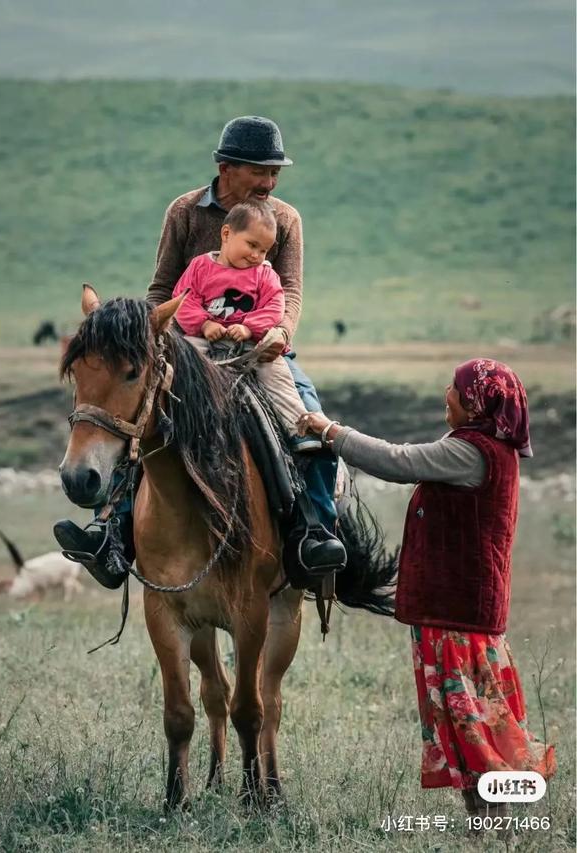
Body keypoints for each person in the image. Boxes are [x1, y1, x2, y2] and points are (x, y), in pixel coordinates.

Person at [55, 115, 346, 585]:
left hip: (259, 345)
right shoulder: (185, 211)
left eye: (276, 173)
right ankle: (110, 536)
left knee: (310, 420)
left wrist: (280, 334)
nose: (270, 182)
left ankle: (314, 532)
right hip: (185, 344)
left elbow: (289, 290)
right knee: (143, 421)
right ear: (227, 167)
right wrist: (153, 339)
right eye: (261, 171)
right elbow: (160, 288)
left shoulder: (285, 219)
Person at [298, 358, 556, 825]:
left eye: (455, 389)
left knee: (473, 724)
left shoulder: (472, 452)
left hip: (456, 613)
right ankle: (489, 821)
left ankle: (498, 821)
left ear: (476, 402)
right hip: (456, 610)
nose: (446, 394)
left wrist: (332, 432)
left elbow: (397, 462)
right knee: (470, 724)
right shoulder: (484, 447)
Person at [173, 200, 321, 450]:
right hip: (204, 339)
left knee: (276, 374)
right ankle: (177, 423)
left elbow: (275, 306)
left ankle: (299, 428)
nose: (256, 255)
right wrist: (204, 324)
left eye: (263, 250)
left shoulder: (265, 274)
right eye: (252, 245)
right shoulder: (200, 267)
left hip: (251, 344)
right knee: (182, 365)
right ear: (227, 233)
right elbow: (183, 299)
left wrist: (249, 328)